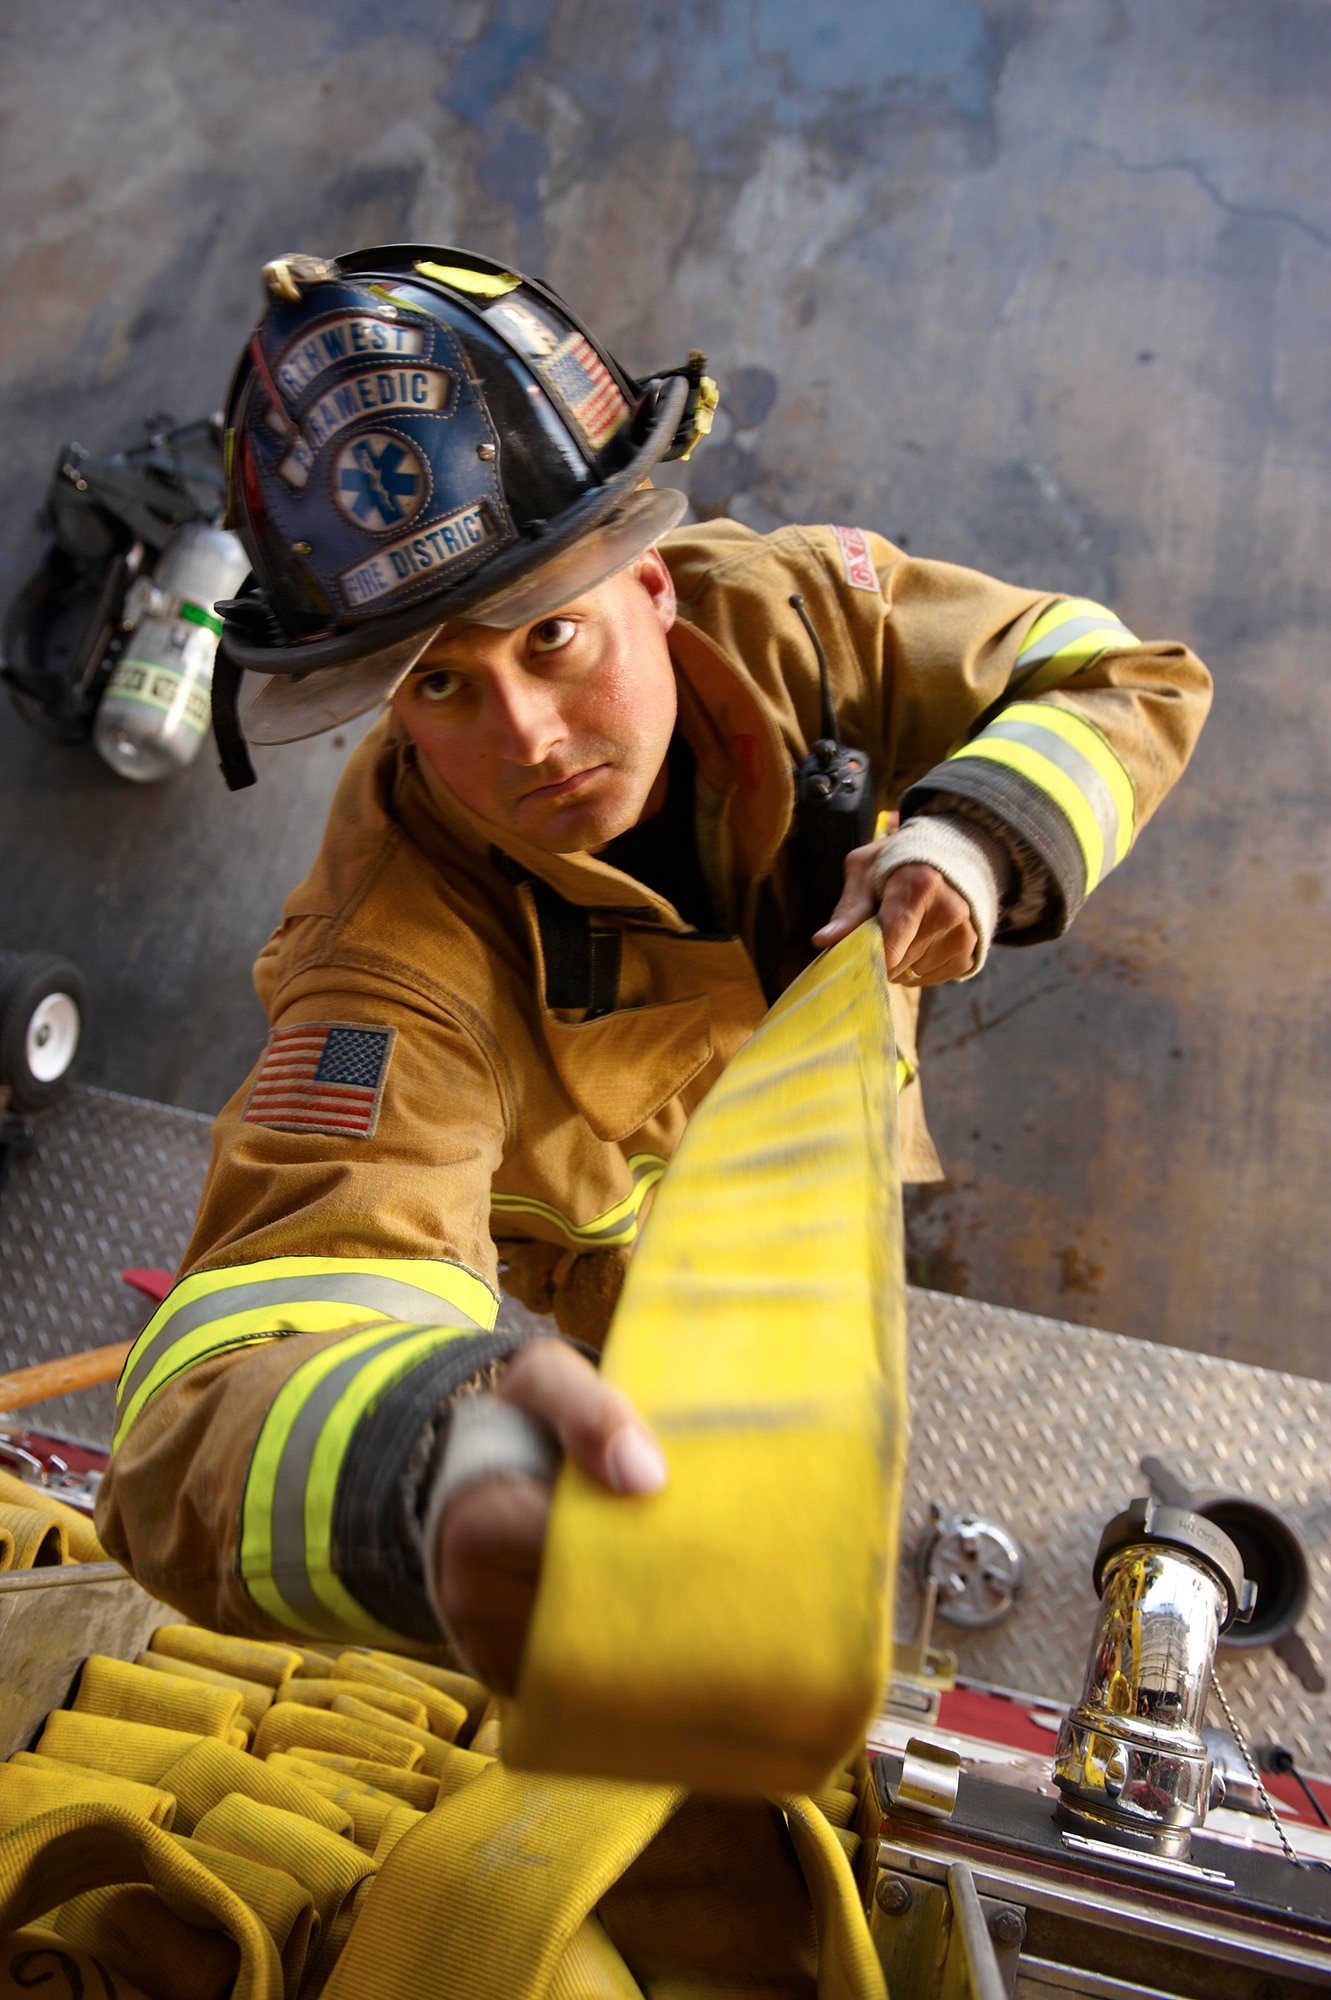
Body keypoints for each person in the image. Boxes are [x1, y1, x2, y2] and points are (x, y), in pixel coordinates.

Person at [97, 246, 1211, 1691]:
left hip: (823, 1145)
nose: (531, 739)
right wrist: (430, 1465)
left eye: (553, 637)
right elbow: (212, 1402)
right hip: (644, 1275)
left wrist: (981, 838)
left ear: (655, 579)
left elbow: (1120, 679)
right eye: (439, 684)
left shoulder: (803, 615)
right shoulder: (387, 957)